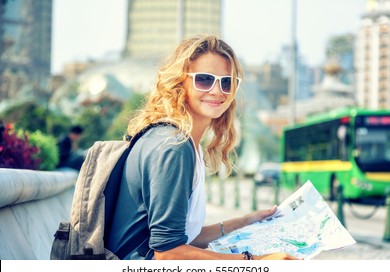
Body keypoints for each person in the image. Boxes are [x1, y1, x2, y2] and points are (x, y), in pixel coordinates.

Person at [106, 35, 299, 260]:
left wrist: (245, 222)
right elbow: (168, 253)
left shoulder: (184, 141)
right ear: (179, 83)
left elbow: (184, 237)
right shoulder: (173, 146)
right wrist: (256, 262)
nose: (218, 91)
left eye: (227, 82)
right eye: (204, 79)